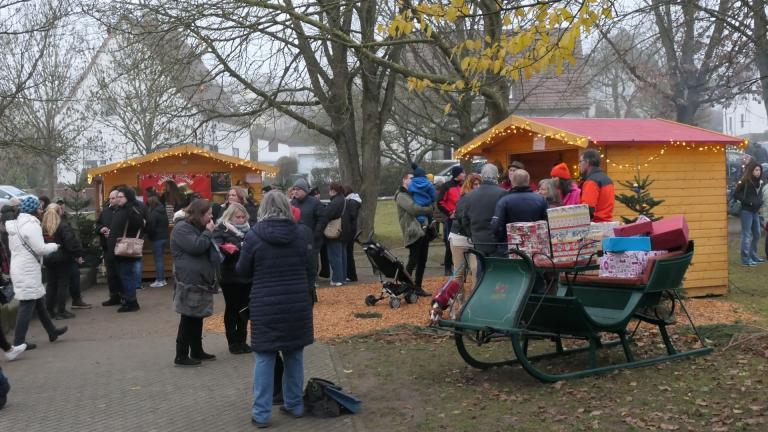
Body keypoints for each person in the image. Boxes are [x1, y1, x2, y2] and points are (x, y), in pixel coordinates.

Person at [236, 191, 314, 428]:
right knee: (294, 355)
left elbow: (242, 270)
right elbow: (312, 268)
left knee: (264, 357)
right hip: (297, 302)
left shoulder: (254, 235)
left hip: (265, 303)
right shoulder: (302, 234)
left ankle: (261, 413)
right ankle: (294, 404)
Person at [7, 196, 68, 350]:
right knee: (27, 304)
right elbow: (41, 249)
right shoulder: (31, 225)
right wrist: (54, 245)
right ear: (33, 210)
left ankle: (52, 331)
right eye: (40, 208)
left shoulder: (15, 225)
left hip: (20, 267)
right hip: (28, 269)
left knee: (38, 300)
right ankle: (19, 342)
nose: (42, 210)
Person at [170, 199, 221, 366]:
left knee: (197, 315)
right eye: (209, 214)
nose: (212, 217)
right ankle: (181, 355)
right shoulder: (182, 228)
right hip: (189, 279)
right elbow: (196, 247)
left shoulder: (196, 227)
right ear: (200, 214)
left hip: (200, 278)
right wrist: (208, 232)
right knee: (188, 317)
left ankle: (197, 350)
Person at [213, 202, 252, 354]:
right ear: (230, 216)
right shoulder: (221, 230)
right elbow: (217, 252)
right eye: (238, 217)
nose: (241, 220)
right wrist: (228, 249)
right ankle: (232, 342)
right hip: (230, 276)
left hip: (247, 276)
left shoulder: (250, 230)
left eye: (243, 217)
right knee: (232, 309)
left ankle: (242, 340)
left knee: (245, 309)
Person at [107, 187, 148, 313]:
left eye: (121, 197)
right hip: (119, 249)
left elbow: (141, 224)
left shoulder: (131, 209)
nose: (118, 199)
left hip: (126, 249)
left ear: (127, 197)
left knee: (127, 276)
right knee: (124, 276)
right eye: (117, 197)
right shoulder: (121, 209)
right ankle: (129, 300)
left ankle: (131, 302)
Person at [41, 203, 83, 320]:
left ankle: (49, 310)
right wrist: (78, 253)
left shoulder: (42, 227)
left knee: (51, 284)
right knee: (62, 284)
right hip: (63, 259)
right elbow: (70, 243)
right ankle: (61, 310)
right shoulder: (62, 226)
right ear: (59, 212)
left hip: (48, 258)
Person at [395, 172, 434, 296]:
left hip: (424, 230)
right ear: (404, 180)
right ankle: (405, 286)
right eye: (411, 179)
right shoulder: (401, 195)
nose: (414, 181)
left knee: (422, 260)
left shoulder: (415, 194)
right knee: (413, 260)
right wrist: (429, 209)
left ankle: (417, 288)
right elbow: (414, 209)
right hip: (413, 231)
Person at [491, 170, 549, 250]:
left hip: (510, 248)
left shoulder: (504, 201)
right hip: (535, 248)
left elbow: (496, 226)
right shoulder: (541, 200)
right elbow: (547, 223)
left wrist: (501, 242)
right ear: (528, 181)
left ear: (513, 182)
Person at [461, 163, 507, 257]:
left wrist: (472, 234)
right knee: (496, 269)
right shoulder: (503, 193)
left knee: (481, 268)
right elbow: (506, 218)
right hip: (497, 242)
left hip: (478, 240)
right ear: (497, 176)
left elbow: (465, 219)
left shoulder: (470, 195)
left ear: (482, 176)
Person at [290, 178, 322, 294]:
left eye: (298, 189)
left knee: (311, 263)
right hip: (296, 239)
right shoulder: (292, 203)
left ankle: (312, 288)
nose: (295, 192)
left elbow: (322, 219)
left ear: (305, 190)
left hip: (312, 239)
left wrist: (315, 234)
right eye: (294, 189)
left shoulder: (315, 202)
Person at [449, 173, 481, 288]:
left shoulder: (480, 199)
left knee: (476, 269)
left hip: (473, 238)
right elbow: (463, 219)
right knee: (459, 273)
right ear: (469, 185)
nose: (477, 187)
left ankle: (474, 301)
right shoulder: (464, 199)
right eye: (475, 184)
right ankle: (460, 301)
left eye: (479, 184)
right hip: (459, 237)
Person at [733, 161, 764, 266]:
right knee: (746, 235)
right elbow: (736, 194)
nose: (758, 172)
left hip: (755, 211)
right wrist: (748, 202)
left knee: (757, 234)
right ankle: (745, 259)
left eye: (759, 170)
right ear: (751, 170)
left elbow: (758, 196)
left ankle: (753, 255)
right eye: (756, 170)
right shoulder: (745, 181)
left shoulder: (760, 182)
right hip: (746, 211)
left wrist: (760, 203)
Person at [97, 190, 124, 306]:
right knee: (111, 273)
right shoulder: (105, 211)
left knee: (121, 273)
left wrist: (114, 233)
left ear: (118, 198)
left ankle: (124, 295)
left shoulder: (123, 212)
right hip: (107, 247)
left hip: (120, 246)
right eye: (110, 198)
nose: (111, 200)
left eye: (113, 198)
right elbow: (97, 224)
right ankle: (113, 296)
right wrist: (101, 228)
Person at [437, 166, 465, 275]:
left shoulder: (464, 186)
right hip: (451, 219)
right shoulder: (446, 186)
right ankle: (448, 267)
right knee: (450, 243)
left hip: (464, 218)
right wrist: (449, 213)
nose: (464, 174)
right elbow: (440, 202)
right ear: (458, 174)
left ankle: (462, 266)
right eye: (463, 172)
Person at [322, 183, 348, 286]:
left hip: (335, 232)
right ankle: (343, 277)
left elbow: (327, 215)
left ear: (333, 191)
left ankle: (337, 279)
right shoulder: (344, 200)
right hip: (344, 231)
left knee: (334, 256)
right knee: (342, 256)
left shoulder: (335, 202)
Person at [579, 149, 615, 222]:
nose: (579, 165)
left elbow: (588, 209)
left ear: (587, 162)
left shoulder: (591, 181)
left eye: (580, 161)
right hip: (608, 223)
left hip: (596, 226)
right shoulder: (608, 179)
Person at [145, 195, 170, 287]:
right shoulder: (163, 211)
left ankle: (160, 280)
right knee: (160, 259)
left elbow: (151, 226)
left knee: (158, 260)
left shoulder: (154, 213)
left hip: (157, 238)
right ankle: (162, 280)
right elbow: (167, 223)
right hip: (164, 237)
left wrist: (149, 235)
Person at [408, 162, 436, 227]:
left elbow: (410, 193)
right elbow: (433, 195)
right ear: (424, 175)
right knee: (429, 214)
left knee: (420, 216)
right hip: (427, 204)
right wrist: (432, 201)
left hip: (416, 204)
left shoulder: (411, 184)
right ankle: (430, 223)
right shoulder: (429, 184)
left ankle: (422, 222)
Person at [343, 186, 361, 282]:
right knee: (349, 252)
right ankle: (351, 274)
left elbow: (352, 215)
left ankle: (352, 275)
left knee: (349, 253)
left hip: (350, 230)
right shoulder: (354, 201)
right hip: (352, 229)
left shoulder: (351, 202)